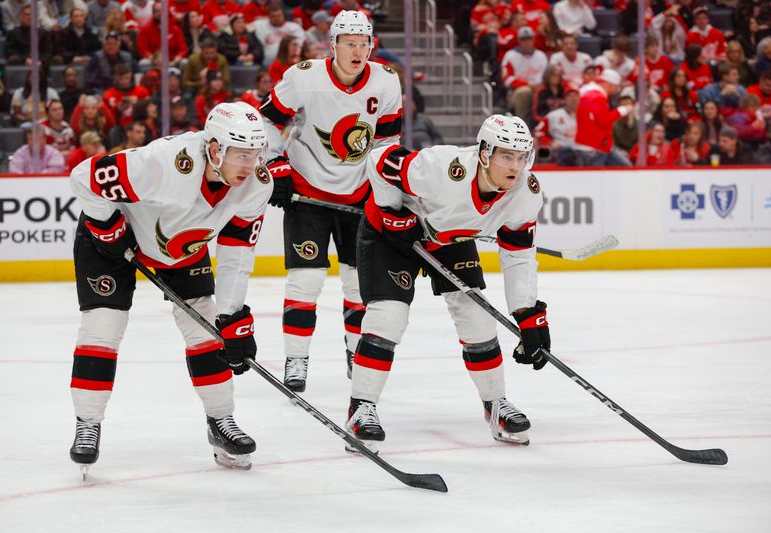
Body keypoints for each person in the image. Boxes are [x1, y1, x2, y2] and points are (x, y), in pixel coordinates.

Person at [67, 102, 271, 473]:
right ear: (214, 149)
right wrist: (106, 225)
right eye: (241, 154)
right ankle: (87, 423)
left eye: (255, 154)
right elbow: (85, 176)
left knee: (207, 330)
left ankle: (221, 421)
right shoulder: (165, 162)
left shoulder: (256, 183)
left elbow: (237, 253)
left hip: (183, 248)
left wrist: (231, 314)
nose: (250, 165)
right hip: (112, 243)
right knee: (103, 328)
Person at [343, 114, 547, 451]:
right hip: (390, 237)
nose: (516, 165)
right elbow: (379, 161)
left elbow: (519, 256)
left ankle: (495, 404)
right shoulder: (441, 168)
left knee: (477, 317)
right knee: (388, 317)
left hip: (448, 240)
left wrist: (526, 313)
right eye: (506, 156)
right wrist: (393, 213)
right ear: (484, 153)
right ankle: (360, 409)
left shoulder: (525, 193)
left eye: (522, 156)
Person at [259, 10, 402, 392]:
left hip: (358, 196)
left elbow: (388, 143)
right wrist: (276, 164)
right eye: (349, 43)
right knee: (305, 280)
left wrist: (387, 191)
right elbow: (266, 121)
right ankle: (296, 357)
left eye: (363, 44)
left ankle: (356, 350)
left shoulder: (387, 82)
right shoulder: (304, 76)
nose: (357, 51)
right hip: (307, 194)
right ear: (333, 45)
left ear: (371, 46)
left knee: (358, 285)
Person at [574, 69, 633, 166]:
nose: (616, 90)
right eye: (615, 86)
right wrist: (623, 110)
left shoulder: (591, 95)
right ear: (609, 85)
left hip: (596, 146)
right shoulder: (597, 97)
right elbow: (603, 120)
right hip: (593, 148)